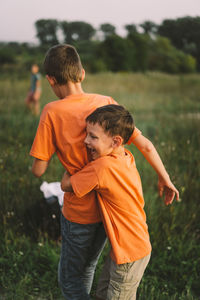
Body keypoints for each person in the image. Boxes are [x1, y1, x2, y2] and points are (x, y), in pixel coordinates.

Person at [30, 44, 178, 300]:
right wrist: (165, 178)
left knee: (70, 278)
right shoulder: (106, 103)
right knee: (89, 267)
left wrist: (56, 148)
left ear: (50, 80)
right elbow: (144, 144)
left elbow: (38, 170)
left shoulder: (51, 112)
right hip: (107, 212)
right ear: (82, 73)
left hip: (79, 212)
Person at [61, 104, 179, 300]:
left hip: (129, 253)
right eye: (86, 134)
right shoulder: (125, 156)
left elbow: (66, 185)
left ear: (116, 141)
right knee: (103, 294)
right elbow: (147, 146)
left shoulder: (102, 167)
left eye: (93, 136)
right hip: (128, 248)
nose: (85, 140)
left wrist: (71, 161)